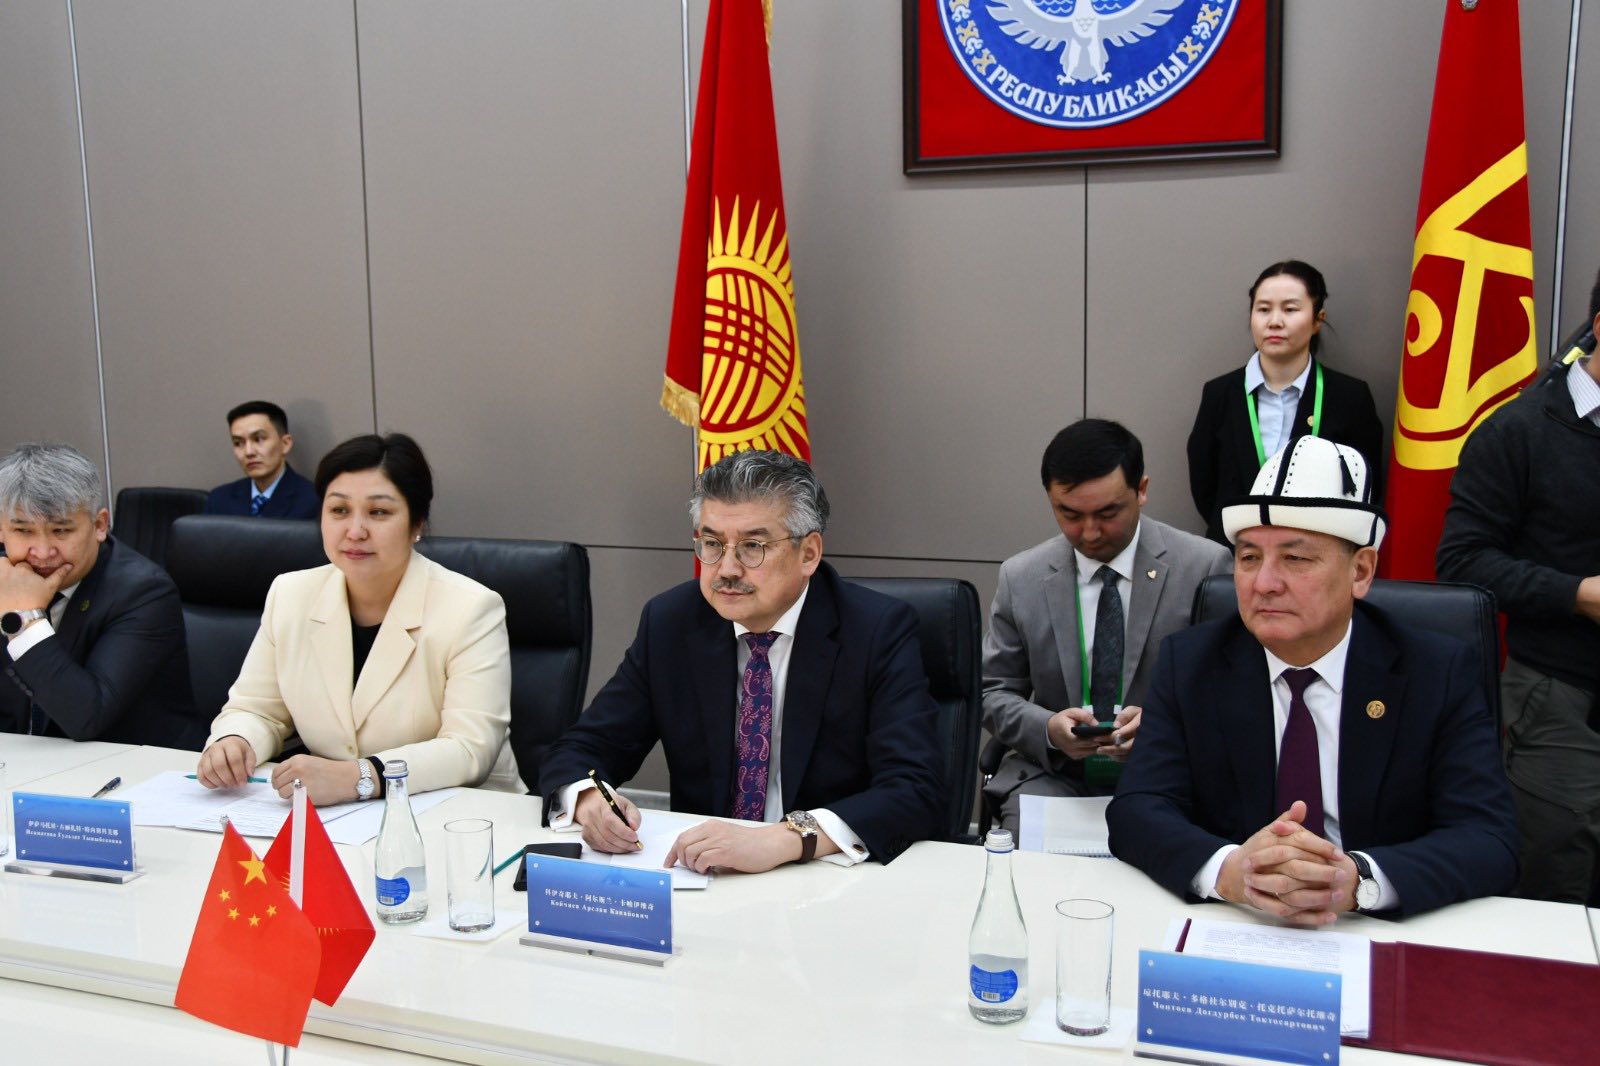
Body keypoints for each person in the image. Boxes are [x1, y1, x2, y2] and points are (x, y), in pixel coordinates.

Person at [1108, 436, 1518, 921]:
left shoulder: (1437, 670)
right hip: (1238, 918)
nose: (1264, 583)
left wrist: (1358, 881)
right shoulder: (1192, 662)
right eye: (1249, 558)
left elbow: (1488, 838)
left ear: (1360, 571)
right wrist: (1230, 870)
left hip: (1371, 924)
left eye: (1296, 559)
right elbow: (1137, 808)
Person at [540, 450, 944, 873]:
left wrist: (787, 838)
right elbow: (583, 748)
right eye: (712, 544)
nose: (727, 569)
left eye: (753, 547)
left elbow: (916, 789)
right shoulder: (673, 622)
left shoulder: (875, 630)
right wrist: (589, 800)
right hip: (706, 878)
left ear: (808, 554)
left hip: (828, 877)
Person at [196, 433, 516, 805]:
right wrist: (235, 740)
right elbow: (256, 709)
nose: (355, 531)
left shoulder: (470, 608)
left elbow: (469, 749)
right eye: (339, 510)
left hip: (460, 811)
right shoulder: (291, 595)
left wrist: (359, 777)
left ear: (416, 524)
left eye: (378, 512)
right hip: (340, 814)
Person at [1436, 266, 1600, 904]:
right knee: (1555, 882)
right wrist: (1578, 594)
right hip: (1561, 696)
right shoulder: (1520, 430)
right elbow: (1462, 561)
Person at [982, 419, 1231, 833]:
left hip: (1167, 777)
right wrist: (1048, 730)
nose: (1090, 533)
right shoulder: (1021, 578)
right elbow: (993, 691)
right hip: (1055, 777)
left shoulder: (1204, 567)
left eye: (1108, 513)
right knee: (1033, 864)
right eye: (1069, 514)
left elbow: (1230, 693)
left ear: (1142, 490)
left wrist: (1161, 727)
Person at [0, 443, 200, 747]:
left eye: (61, 531)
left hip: (131, 763)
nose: (42, 552)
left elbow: (86, 716)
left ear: (99, 525)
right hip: (26, 760)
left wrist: (24, 618)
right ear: (2, 530)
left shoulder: (145, 592)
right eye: (24, 531)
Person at [1187, 260, 1385, 546]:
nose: (1274, 321)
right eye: (1263, 309)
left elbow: (1366, 486)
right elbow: (1204, 487)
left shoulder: (1350, 397)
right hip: (1235, 553)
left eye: (1290, 309)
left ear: (1317, 320)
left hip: (1316, 553)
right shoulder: (1220, 394)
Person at [203, 401, 319, 519]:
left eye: (258, 439)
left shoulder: (313, 500)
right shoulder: (219, 500)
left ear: (285, 444)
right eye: (238, 443)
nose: (249, 452)